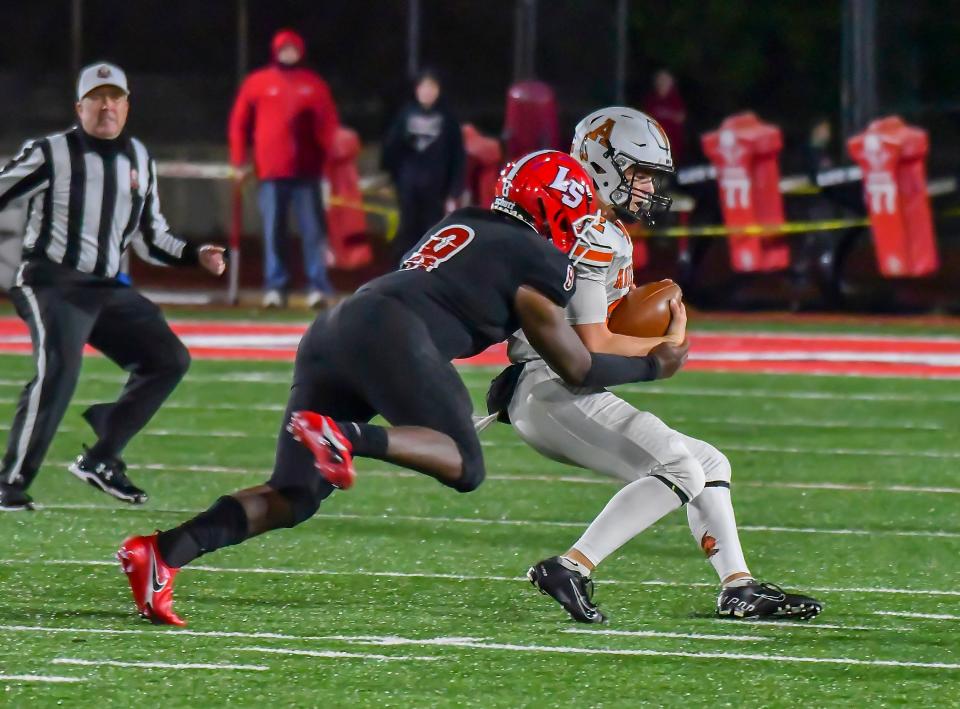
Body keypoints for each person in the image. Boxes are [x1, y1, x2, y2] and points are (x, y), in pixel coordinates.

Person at [116, 150, 690, 626]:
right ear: (558, 209)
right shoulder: (539, 257)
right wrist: (655, 365)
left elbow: (469, 298)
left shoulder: (463, 221)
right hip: (394, 334)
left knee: (296, 496)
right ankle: (345, 437)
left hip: (336, 330)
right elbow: (578, 366)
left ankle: (163, 553)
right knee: (465, 464)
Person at [483, 108, 821, 623]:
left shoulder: (599, 229)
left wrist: (637, 321)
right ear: (600, 164)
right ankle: (572, 565)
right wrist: (665, 344)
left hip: (558, 387)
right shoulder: (592, 233)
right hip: (549, 387)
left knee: (708, 465)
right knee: (678, 466)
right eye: (638, 174)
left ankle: (738, 585)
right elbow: (593, 341)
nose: (646, 188)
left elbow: (593, 327)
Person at [0, 62, 226, 512]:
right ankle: (9, 481)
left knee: (168, 359)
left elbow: (151, 237)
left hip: (104, 286)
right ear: (79, 107)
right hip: (50, 280)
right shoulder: (51, 152)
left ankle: (102, 458)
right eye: (97, 98)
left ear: (126, 105)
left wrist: (193, 255)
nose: (107, 106)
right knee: (60, 370)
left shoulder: (139, 159)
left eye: (115, 97)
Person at [228, 29, 339, 309]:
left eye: (293, 49)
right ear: (275, 51)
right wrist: (239, 161)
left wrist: (328, 167)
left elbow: (329, 127)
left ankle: (316, 286)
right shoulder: (257, 82)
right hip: (271, 173)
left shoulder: (314, 85)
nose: (289, 53)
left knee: (312, 232)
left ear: (300, 51)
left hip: (308, 173)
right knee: (273, 231)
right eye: (284, 48)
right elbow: (239, 124)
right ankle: (275, 287)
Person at [382, 69, 466, 263]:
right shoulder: (405, 114)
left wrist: (454, 191)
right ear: (417, 89)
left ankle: (428, 272)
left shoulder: (448, 118)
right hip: (409, 187)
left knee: (433, 233)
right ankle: (401, 270)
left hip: (436, 189)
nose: (427, 92)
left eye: (432, 87)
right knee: (406, 231)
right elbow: (391, 150)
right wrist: (395, 178)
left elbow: (457, 156)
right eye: (424, 87)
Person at [642, 70, 687, 167]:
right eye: (660, 80)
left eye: (666, 80)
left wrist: (668, 115)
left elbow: (681, 117)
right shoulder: (651, 100)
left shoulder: (676, 99)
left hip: (672, 146)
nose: (663, 82)